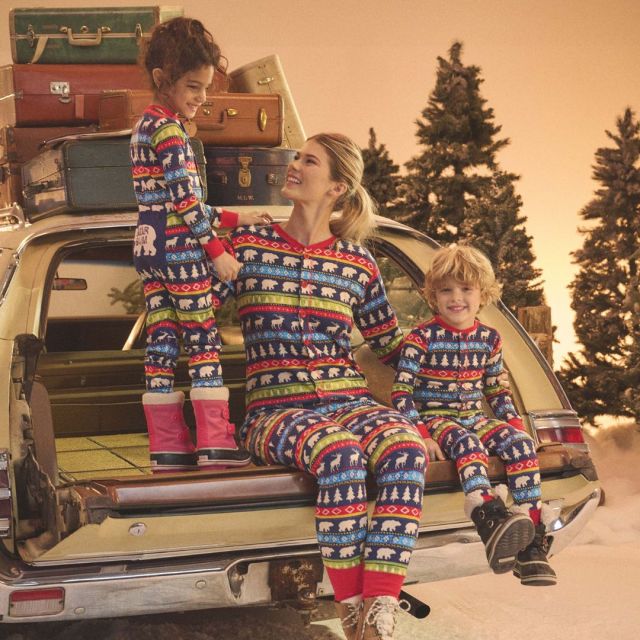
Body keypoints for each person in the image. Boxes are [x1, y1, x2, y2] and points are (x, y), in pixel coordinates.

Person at [209, 133, 438, 640]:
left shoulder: (357, 263)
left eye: (307, 161)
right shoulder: (249, 244)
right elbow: (196, 304)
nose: (293, 166)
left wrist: (451, 360)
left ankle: (379, 609)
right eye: (295, 157)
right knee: (340, 456)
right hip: (274, 411)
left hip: (349, 398)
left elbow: (390, 346)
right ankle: (352, 609)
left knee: (403, 446)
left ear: (337, 186)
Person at [130, 17, 271, 471]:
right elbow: (188, 201)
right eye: (194, 86)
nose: (202, 99)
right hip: (184, 251)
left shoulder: (143, 127)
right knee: (203, 340)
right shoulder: (171, 133)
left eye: (206, 88)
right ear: (162, 80)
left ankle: (167, 447)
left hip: (152, 251)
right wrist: (218, 250)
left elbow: (171, 202)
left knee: (162, 344)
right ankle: (215, 443)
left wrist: (236, 216)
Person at [391, 244, 557, 586]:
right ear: (433, 295)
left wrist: (513, 425)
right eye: (446, 290)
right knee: (468, 446)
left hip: (475, 416)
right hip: (438, 418)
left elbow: (497, 390)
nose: (456, 298)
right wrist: (421, 433)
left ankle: (531, 543)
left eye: (466, 289)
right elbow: (401, 393)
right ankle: (488, 515)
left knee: (521, 445)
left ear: (483, 294)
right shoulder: (420, 339)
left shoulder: (490, 339)